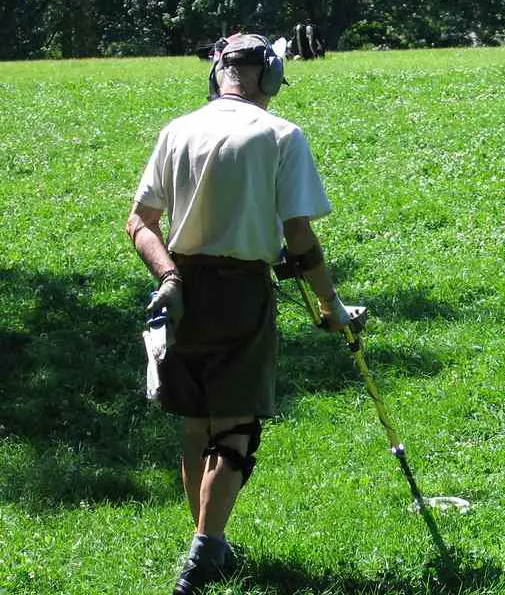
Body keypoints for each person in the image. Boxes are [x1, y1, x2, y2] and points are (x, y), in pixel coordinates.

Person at [125, 33, 357, 595]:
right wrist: (333, 307)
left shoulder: (177, 130)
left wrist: (170, 278)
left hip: (180, 293)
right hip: (241, 295)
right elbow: (299, 236)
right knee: (236, 431)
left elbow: (140, 222)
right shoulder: (280, 136)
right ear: (269, 77)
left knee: (196, 423)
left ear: (218, 73)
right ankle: (203, 556)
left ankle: (209, 541)